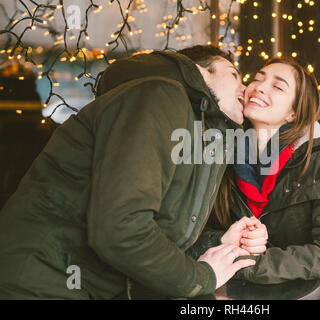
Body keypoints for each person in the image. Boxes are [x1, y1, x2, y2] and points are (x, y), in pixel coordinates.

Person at [0, 45, 260, 299]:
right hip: (44, 281)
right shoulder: (160, 95)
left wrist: (213, 245)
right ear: (199, 73)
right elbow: (121, 229)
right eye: (233, 74)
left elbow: (153, 228)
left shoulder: (196, 131)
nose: (245, 88)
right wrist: (200, 278)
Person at [190, 57, 320, 300]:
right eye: (257, 79)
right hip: (260, 294)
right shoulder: (225, 155)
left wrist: (247, 264)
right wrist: (222, 242)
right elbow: (195, 231)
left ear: (292, 113)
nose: (259, 87)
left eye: (278, 87)